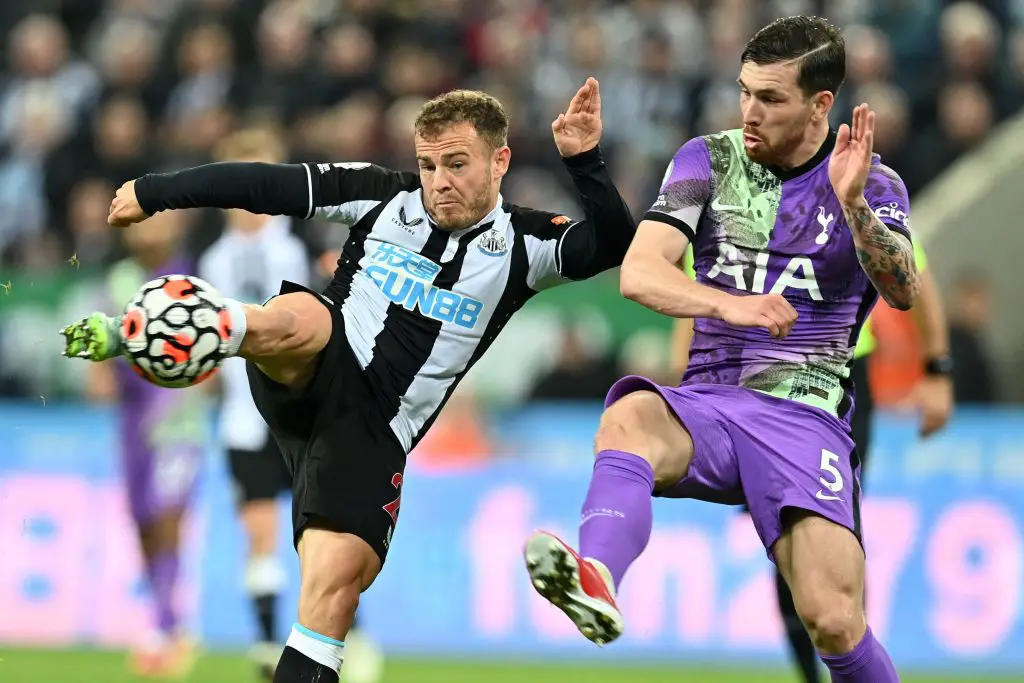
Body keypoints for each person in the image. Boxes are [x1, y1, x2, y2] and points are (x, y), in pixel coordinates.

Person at [62, 79, 635, 683]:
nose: (438, 180)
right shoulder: (381, 195)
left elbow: (614, 243)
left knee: (329, 599)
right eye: (427, 164)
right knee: (303, 317)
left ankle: (163, 330)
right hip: (317, 364)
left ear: (500, 161)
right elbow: (264, 184)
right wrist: (157, 192)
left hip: (375, 435)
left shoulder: (527, 244)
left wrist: (584, 161)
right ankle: (180, 326)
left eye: (457, 164)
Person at [524, 17, 919, 682]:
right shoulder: (708, 160)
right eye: (744, 92)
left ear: (821, 104)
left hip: (805, 416)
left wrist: (854, 208)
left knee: (833, 618)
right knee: (629, 418)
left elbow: (903, 287)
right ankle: (595, 576)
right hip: (709, 403)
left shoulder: (874, 187)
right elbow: (640, 272)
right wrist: (728, 304)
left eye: (770, 98)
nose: (749, 112)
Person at [670, 242, 953, 683]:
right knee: (783, 534)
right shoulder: (726, 197)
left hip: (838, 375)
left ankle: (852, 667)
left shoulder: (847, 190)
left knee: (837, 531)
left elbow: (915, 275)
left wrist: (937, 370)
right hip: (752, 378)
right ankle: (812, 674)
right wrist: (687, 382)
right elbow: (696, 300)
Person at [85, 210, 205, 678]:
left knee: (168, 516)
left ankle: (162, 630)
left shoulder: (189, 283)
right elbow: (98, 337)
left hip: (178, 418)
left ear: (174, 228)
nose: (148, 231)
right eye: (142, 223)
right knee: (140, 520)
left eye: (158, 222)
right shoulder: (118, 281)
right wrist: (93, 366)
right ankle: (169, 622)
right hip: (132, 421)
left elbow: (216, 343)